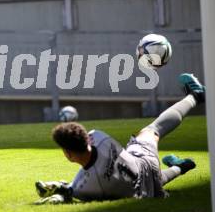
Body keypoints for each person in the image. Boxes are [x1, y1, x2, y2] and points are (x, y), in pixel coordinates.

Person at [35, 73, 205, 204]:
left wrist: (64, 192)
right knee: (153, 130)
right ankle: (194, 97)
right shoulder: (98, 136)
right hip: (144, 162)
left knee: (153, 182)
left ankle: (181, 166)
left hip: (141, 190)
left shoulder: (86, 187)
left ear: (68, 154)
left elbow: (76, 190)